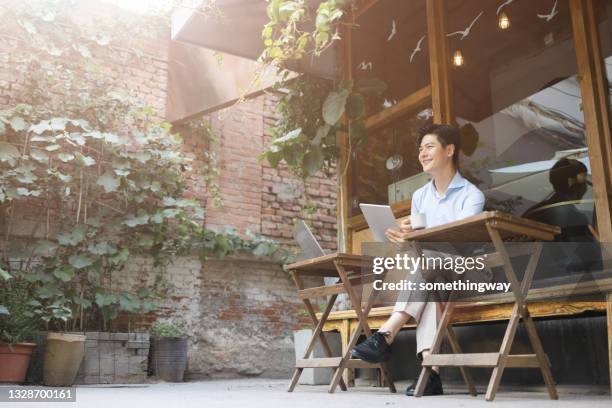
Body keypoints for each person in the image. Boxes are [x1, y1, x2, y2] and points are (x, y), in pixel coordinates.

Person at [350, 124, 485, 396]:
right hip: (434, 278)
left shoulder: (472, 195)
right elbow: (417, 251)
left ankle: (387, 333)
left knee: (431, 268)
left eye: (429, 146)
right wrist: (404, 241)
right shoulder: (421, 196)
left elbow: (462, 241)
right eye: (420, 148)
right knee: (430, 279)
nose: (422, 153)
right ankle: (430, 373)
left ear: (450, 150)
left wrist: (422, 238)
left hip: (467, 272)